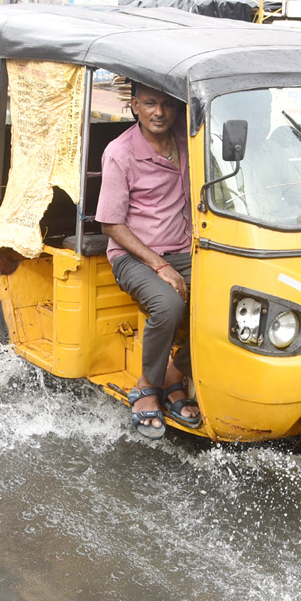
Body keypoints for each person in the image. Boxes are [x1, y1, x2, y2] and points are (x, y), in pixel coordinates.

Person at [96, 81, 201, 439]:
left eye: (167, 105)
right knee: (169, 305)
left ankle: (175, 373)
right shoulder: (120, 152)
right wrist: (159, 264)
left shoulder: (187, 142)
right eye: (150, 104)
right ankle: (146, 386)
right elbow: (110, 223)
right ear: (135, 106)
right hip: (133, 256)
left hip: (186, 251)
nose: (160, 113)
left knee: (229, 302)